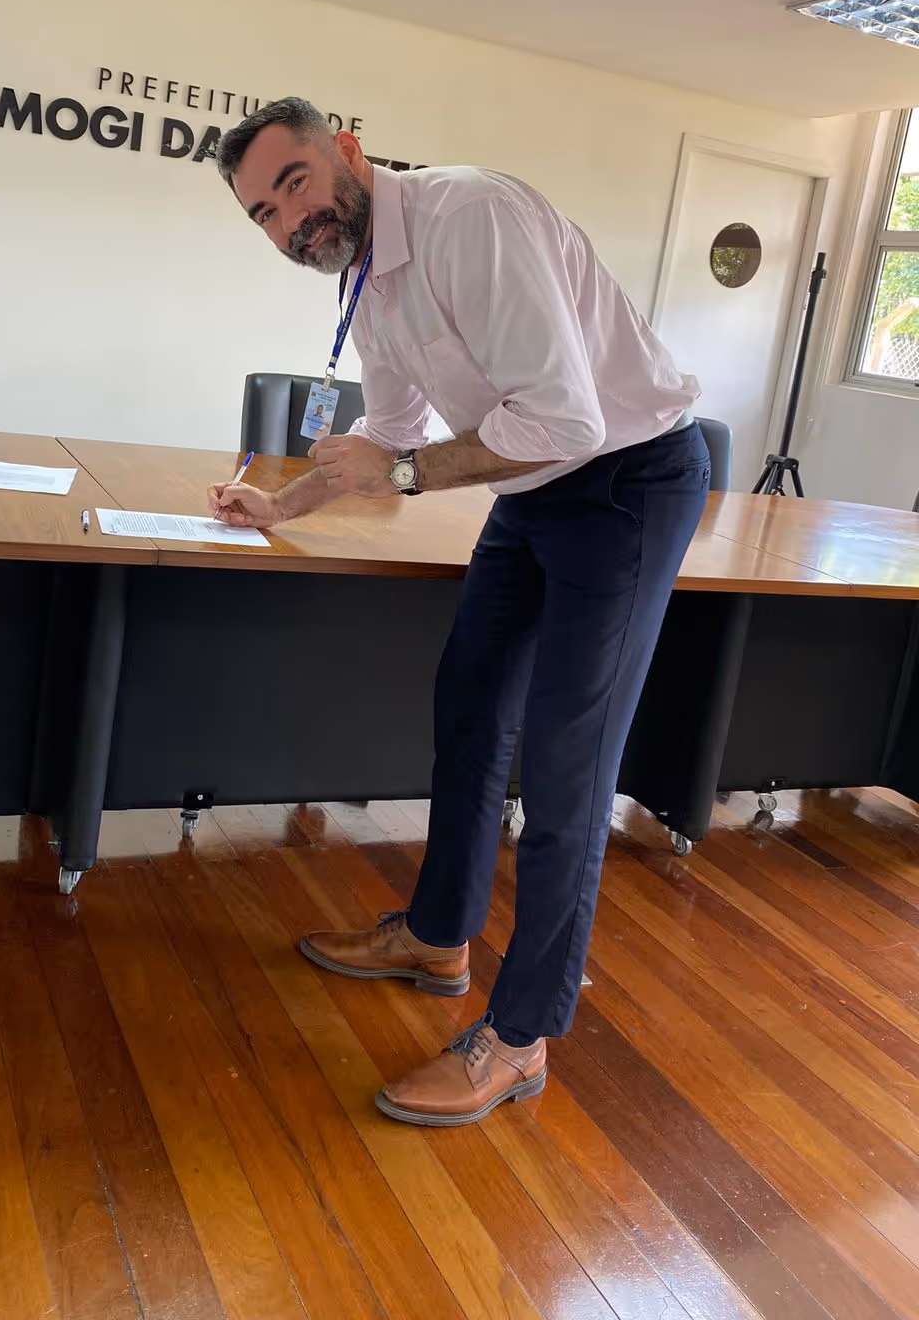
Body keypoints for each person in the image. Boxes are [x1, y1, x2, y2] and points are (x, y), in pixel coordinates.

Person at [209, 97, 709, 1129]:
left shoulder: (467, 216)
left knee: (569, 774)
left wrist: (404, 467)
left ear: (345, 150)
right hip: (535, 492)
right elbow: (384, 433)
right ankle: (439, 936)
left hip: (626, 485)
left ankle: (519, 1040)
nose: (288, 221)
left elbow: (562, 416)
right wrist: (280, 502)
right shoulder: (370, 274)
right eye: (262, 213)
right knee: (471, 712)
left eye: (294, 182)